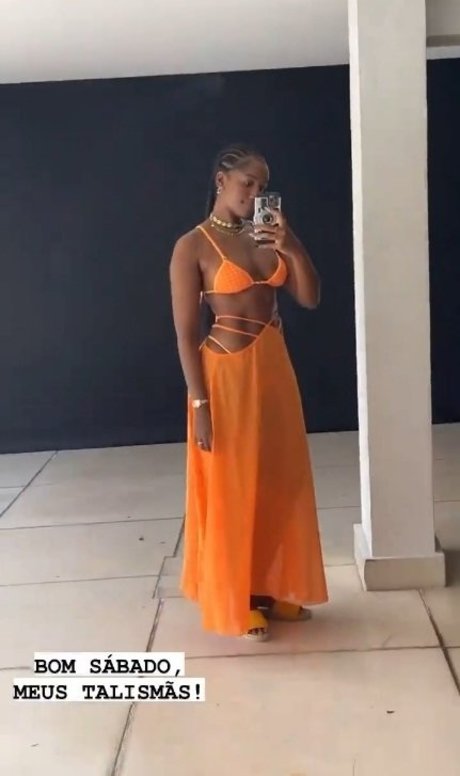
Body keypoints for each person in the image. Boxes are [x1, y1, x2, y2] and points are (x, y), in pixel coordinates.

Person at [169, 144, 328, 641]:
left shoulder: (267, 237)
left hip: (275, 368)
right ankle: (238, 595)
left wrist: (291, 244)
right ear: (221, 180)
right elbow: (185, 335)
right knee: (234, 482)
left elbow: (310, 297)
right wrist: (200, 405)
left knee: (281, 477)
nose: (255, 193)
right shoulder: (191, 246)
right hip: (227, 376)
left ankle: (272, 585)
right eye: (247, 183)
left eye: (262, 186)